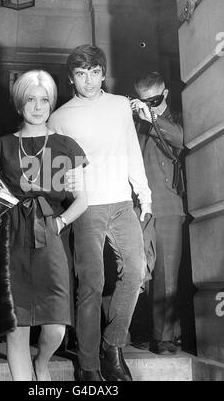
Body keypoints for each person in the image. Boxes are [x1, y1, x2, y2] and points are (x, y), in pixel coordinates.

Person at [0, 70, 88, 381]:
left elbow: (82, 199)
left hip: (50, 236)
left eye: (44, 100)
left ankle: (42, 363)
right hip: (10, 239)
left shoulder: (67, 145)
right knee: (16, 326)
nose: (38, 107)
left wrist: (60, 222)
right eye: (31, 100)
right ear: (19, 103)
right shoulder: (2, 145)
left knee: (56, 326)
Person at [48, 44, 152, 381]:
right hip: (87, 207)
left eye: (94, 72)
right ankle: (89, 366)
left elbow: (131, 150)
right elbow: (56, 174)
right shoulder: (59, 117)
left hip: (122, 203)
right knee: (92, 284)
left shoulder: (120, 105)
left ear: (103, 73)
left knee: (136, 272)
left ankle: (112, 345)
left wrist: (144, 194)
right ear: (71, 78)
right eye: (81, 73)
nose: (89, 80)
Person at [131, 71, 185, 355]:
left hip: (166, 206)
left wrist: (149, 118)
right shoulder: (136, 122)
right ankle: (143, 330)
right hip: (137, 206)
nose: (148, 105)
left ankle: (163, 337)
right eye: (142, 101)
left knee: (166, 275)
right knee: (138, 273)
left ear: (164, 94)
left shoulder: (173, 119)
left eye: (153, 100)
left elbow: (179, 138)